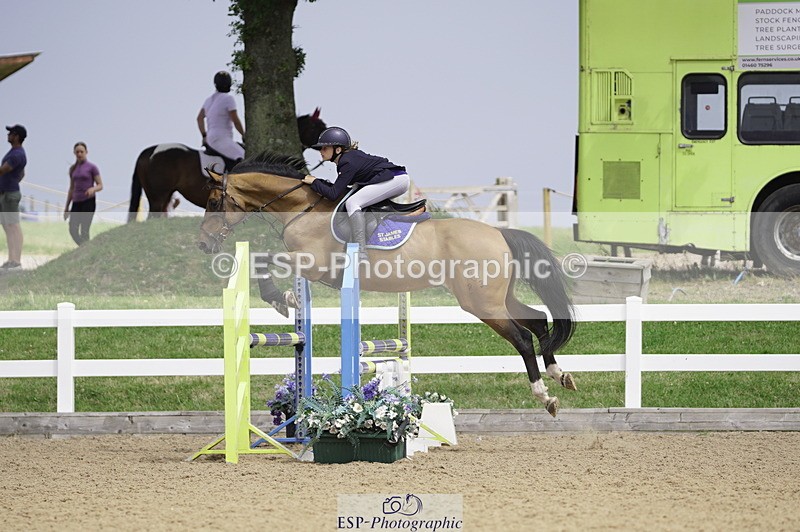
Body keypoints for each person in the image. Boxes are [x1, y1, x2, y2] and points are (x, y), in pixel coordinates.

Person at [302, 127, 410, 260]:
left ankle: (361, 251)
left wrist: (314, 182)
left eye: (325, 148)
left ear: (338, 149)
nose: (321, 151)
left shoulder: (346, 162)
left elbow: (333, 194)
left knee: (353, 203)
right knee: (358, 200)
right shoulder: (346, 160)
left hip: (396, 179)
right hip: (393, 178)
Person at [197, 71, 245, 170]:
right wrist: (244, 135)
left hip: (210, 138)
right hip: (222, 138)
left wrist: (204, 135)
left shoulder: (208, 100)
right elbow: (235, 120)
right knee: (246, 158)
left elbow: (199, 118)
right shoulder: (228, 99)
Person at [63, 142, 103, 245]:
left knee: (84, 230)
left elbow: (100, 185)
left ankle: (85, 251)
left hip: (88, 202)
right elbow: (71, 188)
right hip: (76, 202)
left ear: (86, 152)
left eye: (81, 152)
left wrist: (92, 189)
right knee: (73, 229)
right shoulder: (73, 169)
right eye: (77, 152)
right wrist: (67, 207)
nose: (79, 154)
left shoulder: (92, 167)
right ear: (74, 153)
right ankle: (85, 248)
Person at [0, 124, 28, 272]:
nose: (8, 135)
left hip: (10, 194)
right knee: (7, 226)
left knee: (14, 226)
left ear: (17, 136)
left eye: (11, 133)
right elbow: (22, 174)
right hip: (5, 192)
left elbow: (3, 170)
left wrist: (10, 185)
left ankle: (16, 261)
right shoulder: (14, 152)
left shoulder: (17, 154)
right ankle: (11, 259)